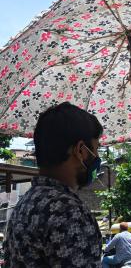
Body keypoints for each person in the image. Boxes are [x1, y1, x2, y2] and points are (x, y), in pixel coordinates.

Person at [4, 102, 103, 267]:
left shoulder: (25, 203)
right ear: (80, 150)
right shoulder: (68, 211)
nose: (97, 156)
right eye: (96, 148)